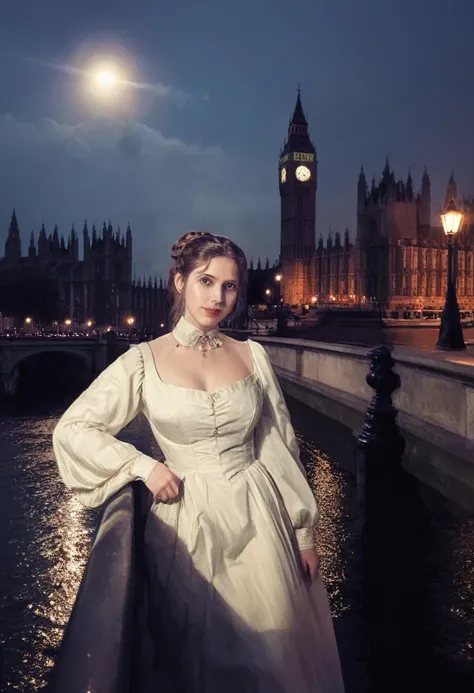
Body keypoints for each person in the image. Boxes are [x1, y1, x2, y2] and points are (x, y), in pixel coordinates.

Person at [52, 231, 345, 693]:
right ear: (179, 281)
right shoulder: (142, 362)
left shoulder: (253, 355)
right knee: (197, 661)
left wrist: (303, 531)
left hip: (260, 520)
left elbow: (277, 444)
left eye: (229, 286)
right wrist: (141, 466)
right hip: (187, 529)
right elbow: (73, 429)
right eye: (206, 281)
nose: (218, 297)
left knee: (273, 658)